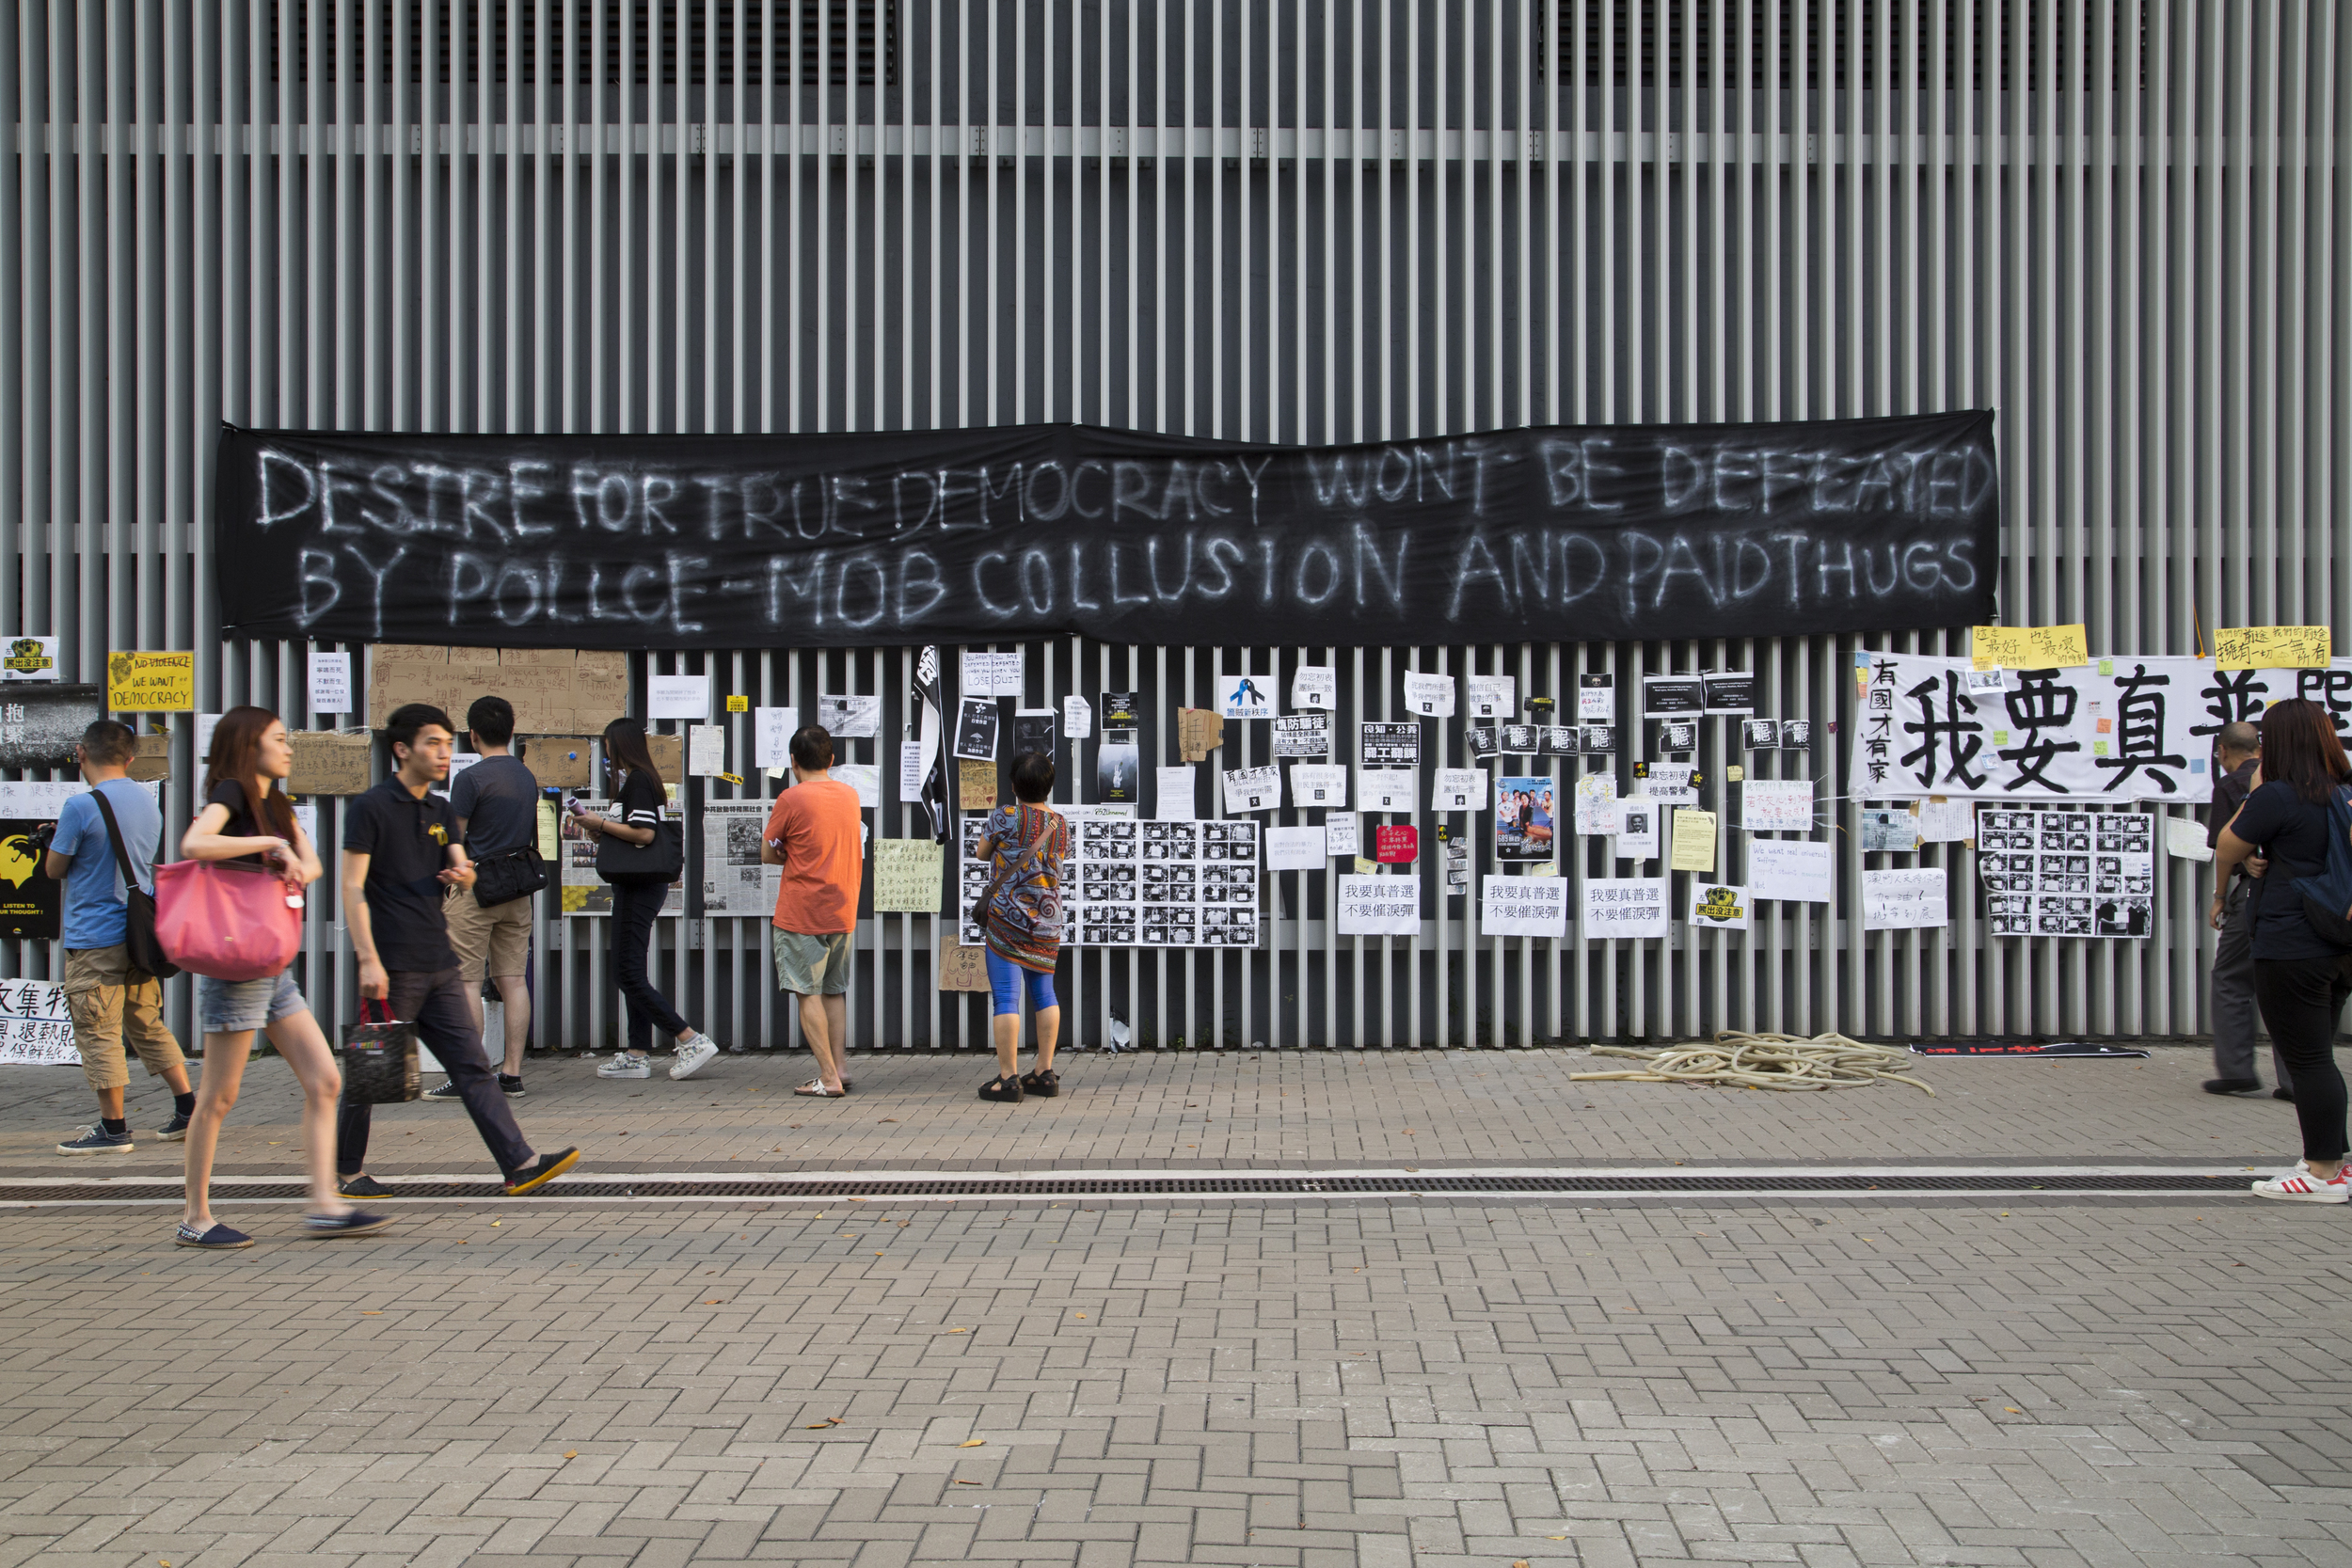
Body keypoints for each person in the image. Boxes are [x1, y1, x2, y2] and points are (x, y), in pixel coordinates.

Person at [334, 704, 580, 1201]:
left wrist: (463, 874)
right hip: (394, 961)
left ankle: (520, 1163)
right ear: (402, 750)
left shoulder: (441, 810)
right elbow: (353, 887)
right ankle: (341, 1173)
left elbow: (461, 867)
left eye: (448, 743)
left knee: (470, 1066)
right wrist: (367, 958)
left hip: (439, 962)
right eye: (432, 743)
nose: (444, 753)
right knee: (372, 1073)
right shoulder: (372, 807)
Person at [175, 705, 389, 1249]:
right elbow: (195, 845)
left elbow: (314, 864)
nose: (288, 747)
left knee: (325, 1080)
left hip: (272, 969)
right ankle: (195, 1216)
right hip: (236, 969)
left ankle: (323, 1204)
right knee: (218, 1098)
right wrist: (268, 847)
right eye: (277, 739)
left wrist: (292, 857)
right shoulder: (231, 792)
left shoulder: (275, 801)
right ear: (250, 747)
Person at [2209, 698, 2352, 1203]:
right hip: (2338, 942)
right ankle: (2336, 1162)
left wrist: (2255, 792)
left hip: (2292, 942)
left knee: (2308, 1058)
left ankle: (2321, 1173)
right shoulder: (2344, 793)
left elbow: (2228, 844)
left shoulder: (2277, 796)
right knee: (2320, 1056)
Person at [43, 721, 197, 1154]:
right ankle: (187, 1107)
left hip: (95, 936)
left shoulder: (80, 806)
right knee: (145, 1022)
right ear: (130, 758)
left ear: (80, 753)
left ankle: (113, 1129)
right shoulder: (148, 803)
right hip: (139, 935)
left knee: (98, 1030)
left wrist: (50, 844)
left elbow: (56, 869)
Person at [570, 717, 723, 1080]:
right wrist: (601, 833)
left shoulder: (638, 781)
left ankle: (689, 1038)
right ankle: (637, 1053)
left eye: (607, 743)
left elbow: (644, 835)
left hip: (638, 886)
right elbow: (634, 834)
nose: (605, 750)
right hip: (637, 883)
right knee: (630, 967)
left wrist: (599, 824)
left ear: (618, 744)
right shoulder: (640, 780)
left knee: (626, 970)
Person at [437, 694, 538, 1099]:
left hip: (475, 887)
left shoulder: (471, 779)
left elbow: (455, 837)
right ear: (511, 731)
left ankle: (471, 1077)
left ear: (472, 734)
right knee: (513, 980)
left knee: (465, 981)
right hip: (517, 888)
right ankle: (511, 1074)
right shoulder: (525, 776)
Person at [760, 724, 865, 1097]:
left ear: (793, 761)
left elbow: (768, 851)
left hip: (802, 910)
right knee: (834, 990)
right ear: (831, 759)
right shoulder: (850, 795)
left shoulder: (791, 798)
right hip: (842, 908)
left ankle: (827, 1078)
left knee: (808, 993)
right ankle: (841, 1068)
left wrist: (789, 855)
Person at [971, 752, 1066, 1103]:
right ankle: (1044, 1071)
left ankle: (1009, 1079)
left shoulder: (1004, 817)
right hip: (1047, 923)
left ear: (1012, 786)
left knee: (1006, 998)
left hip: (1007, 922)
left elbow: (982, 853)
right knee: (1045, 994)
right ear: (1049, 786)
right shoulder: (1059, 823)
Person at [2204, 721, 2287, 1098]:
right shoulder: (2293, 780)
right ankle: (2294, 1078)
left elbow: (2226, 847)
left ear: (2222, 750)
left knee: (2232, 978)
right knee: (2287, 982)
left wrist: (2220, 895)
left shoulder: (2233, 784)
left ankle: (2237, 1069)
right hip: (2297, 893)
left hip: (2253, 893)